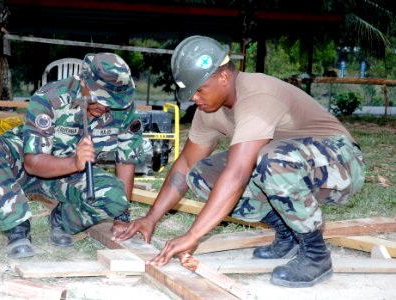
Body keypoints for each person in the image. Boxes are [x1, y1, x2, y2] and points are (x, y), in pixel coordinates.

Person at [113, 36, 365, 288]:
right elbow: (185, 165)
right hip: (291, 164)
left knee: (270, 160)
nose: (194, 99)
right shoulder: (208, 111)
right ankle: (288, 232)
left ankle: (316, 254)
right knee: (202, 175)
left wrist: (193, 235)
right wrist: (151, 218)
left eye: (199, 90)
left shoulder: (257, 95)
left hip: (340, 162)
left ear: (223, 77)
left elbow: (238, 174)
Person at [0, 52, 144, 259]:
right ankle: (18, 229)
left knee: (116, 198)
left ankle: (62, 219)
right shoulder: (50, 97)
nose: (104, 106)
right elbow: (32, 163)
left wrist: (122, 217)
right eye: (100, 97)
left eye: (112, 100)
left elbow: (126, 160)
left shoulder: (125, 111)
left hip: (68, 176)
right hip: (23, 164)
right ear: (84, 80)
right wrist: (75, 162)